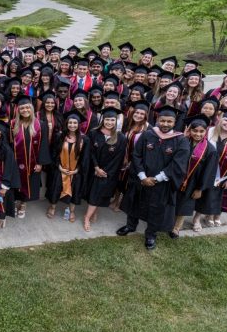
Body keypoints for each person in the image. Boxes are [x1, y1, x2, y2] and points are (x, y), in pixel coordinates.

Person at [117, 107, 190, 250]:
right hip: (141, 179)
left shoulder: (181, 140)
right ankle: (131, 226)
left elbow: (178, 164)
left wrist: (156, 179)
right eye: (162, 120)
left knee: (157, 208)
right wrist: (143, 176)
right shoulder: (147, 135)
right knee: (135, 202)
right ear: (157, 120)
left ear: (174, 122)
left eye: (169, 121)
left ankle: (150, 234)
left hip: (161, 183)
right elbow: (136, 155)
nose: (165, 124)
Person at [172, 115, 218, 235]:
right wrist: (183, 136)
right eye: (195, 130)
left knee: (184, 205)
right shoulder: (182, 141)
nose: (198, 134)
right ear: (189, 130)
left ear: (206, 131)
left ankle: (177, 227)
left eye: (201, 131)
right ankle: (168, 221)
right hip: (177, 179)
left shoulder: (210, 150)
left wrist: (200, 189)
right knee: (172, 200)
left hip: (193, 182)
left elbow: (209, 172)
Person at [83, 107, 127, 231]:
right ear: (103, 120)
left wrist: (105, 172)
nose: (109, 122)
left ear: (116, 121)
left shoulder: (121, 138)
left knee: (97, 193)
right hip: (93, 168)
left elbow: (118, 159)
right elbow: (90, 152)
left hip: (107, 172)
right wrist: (96, 167)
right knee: (93, 193)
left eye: (112, 120)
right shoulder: (94, 133)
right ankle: (93, 213)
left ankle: (87, 217)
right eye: (107, 119)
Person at [10, 95, 50, 218]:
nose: (25, 110)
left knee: (29, 183)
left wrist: (40, 163)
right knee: (16, 182)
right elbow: (9, 144)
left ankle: (23, 204)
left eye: (27, 107)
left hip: (33, 163)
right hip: (16, 162)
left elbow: (44, 144)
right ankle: (15, 202)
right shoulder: (12, 124)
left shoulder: (40, 124)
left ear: (31, 108)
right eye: (22, 108)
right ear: (18, 110)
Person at [45, 110, 88, 222]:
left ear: (79, 125)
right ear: (66, 123)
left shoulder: (84, 139)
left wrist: (77, 170)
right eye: (70, 123)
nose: (72, 125)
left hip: (75, 172)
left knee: (75, 190)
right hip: (60, 169)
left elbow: (85, 158)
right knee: (55, 188)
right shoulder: (60, 136)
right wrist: (58, 166)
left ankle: (71, 210)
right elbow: (54, 153)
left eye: (75, 123)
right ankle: (52, 206)